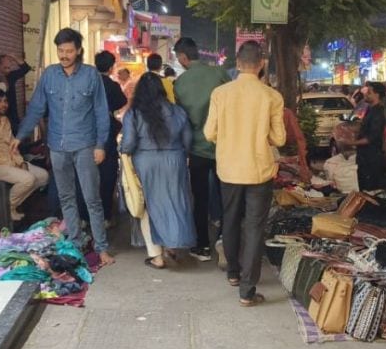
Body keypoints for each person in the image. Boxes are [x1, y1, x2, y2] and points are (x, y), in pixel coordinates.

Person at [16, 28, 115, 266]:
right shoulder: (50, 75)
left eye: (69, 51)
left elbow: (102, 112)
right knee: (66, 197)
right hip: (57, 146)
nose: (64, 55)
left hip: (85, 145)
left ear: (78, 51)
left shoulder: (91, 75)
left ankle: (101, 248)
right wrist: (20, 136)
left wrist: (101, 145)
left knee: (92, 198)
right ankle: (75, 243)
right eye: (60, 50)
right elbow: (37, 107)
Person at [204, 40, 286, 306]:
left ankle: (233, 274)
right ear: (261, 64)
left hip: (228, 169)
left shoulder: (220, 93)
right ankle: (248, 291)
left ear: (237, 63)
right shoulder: (271, 97)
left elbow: (209, 133)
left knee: (230, 219)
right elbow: (280, 138)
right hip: (259, 170)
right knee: (254, 227)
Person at [120, 73, 196, 269]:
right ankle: (172, 246)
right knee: (175, 203)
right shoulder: (178, 111)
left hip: (145, 162)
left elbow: (128, 143)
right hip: (175, 160)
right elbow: (188, 140)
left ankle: (156, 256)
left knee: (148, 207)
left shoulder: (134, 113)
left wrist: (124, 153)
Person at [173, 36, 231, 261]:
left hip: (196, 148)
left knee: (200, 196)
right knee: (226, 195)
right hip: (222, 146)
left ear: (183, 57)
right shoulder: (218, 73)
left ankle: (202, 246)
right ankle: (224, 240)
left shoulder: (180, 83)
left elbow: (180, 119)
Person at [73, 51, 127, 226]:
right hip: (105, 135)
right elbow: (121, 102)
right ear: (111, 67)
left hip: (85, 132)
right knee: (107, 174)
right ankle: (104, 216)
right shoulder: (111, 86)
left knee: (83, 174)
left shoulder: (85, 82)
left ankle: (83, 216)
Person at [0, 89, 49, 221]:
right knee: (27, 179)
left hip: (9, 161)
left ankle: (8, 207)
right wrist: (14, 165)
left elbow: (12, 144)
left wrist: (21, 162)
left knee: (43, 176)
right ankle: (6, 208)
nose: (4, 104)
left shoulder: (5, 120)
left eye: (5, 101)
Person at [341, 81, 386, 191]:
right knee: (364, 187)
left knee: (371, 190)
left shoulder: (378, 114)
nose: (365, 94)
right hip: (364, 157)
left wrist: (350, 143)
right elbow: (364, 129)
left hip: (372, 157)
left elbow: (371, 138)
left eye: (369, 92)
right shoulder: (370, 109)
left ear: (377, 95)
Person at [0, 54, 33, 133]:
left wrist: (13, 57)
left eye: (9, 67)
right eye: (5, 67)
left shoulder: (11, 76)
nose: (8, 70)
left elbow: (26, 68)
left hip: (12, 117)